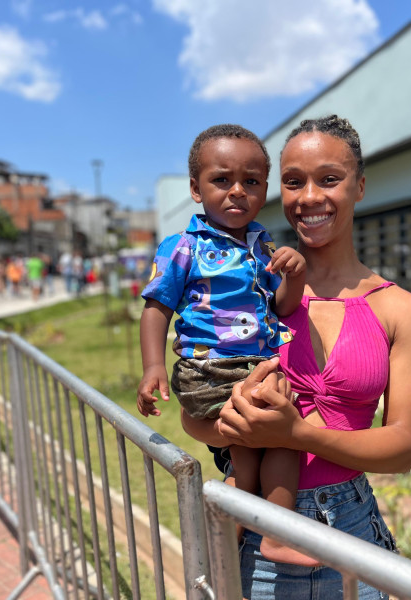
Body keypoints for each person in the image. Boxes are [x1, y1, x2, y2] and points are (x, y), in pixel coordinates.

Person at [181, 115, 411, 599]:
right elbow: (196, 416)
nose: (309, 197)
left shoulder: (401, 309)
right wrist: (230, 427)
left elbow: (402, 448)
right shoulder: (250, 289)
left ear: (359, 186)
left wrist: (297, 434)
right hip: (256, 525)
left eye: (329, 179)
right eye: (294, 182)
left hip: (351, 527)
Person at [136, 124, 307, 563]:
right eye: (221, 180)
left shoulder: (264, 245)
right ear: (196, 188)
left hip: (259, 367)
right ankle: (259, 540)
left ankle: (249, 546)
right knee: (266, 443)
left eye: (250, 181)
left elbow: (284, 308)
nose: (236, 191)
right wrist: (154, 366)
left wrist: (295, 277)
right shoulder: (183, 247)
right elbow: (157, 308)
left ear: (264, 189)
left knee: (272, 449)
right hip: (209, 370)